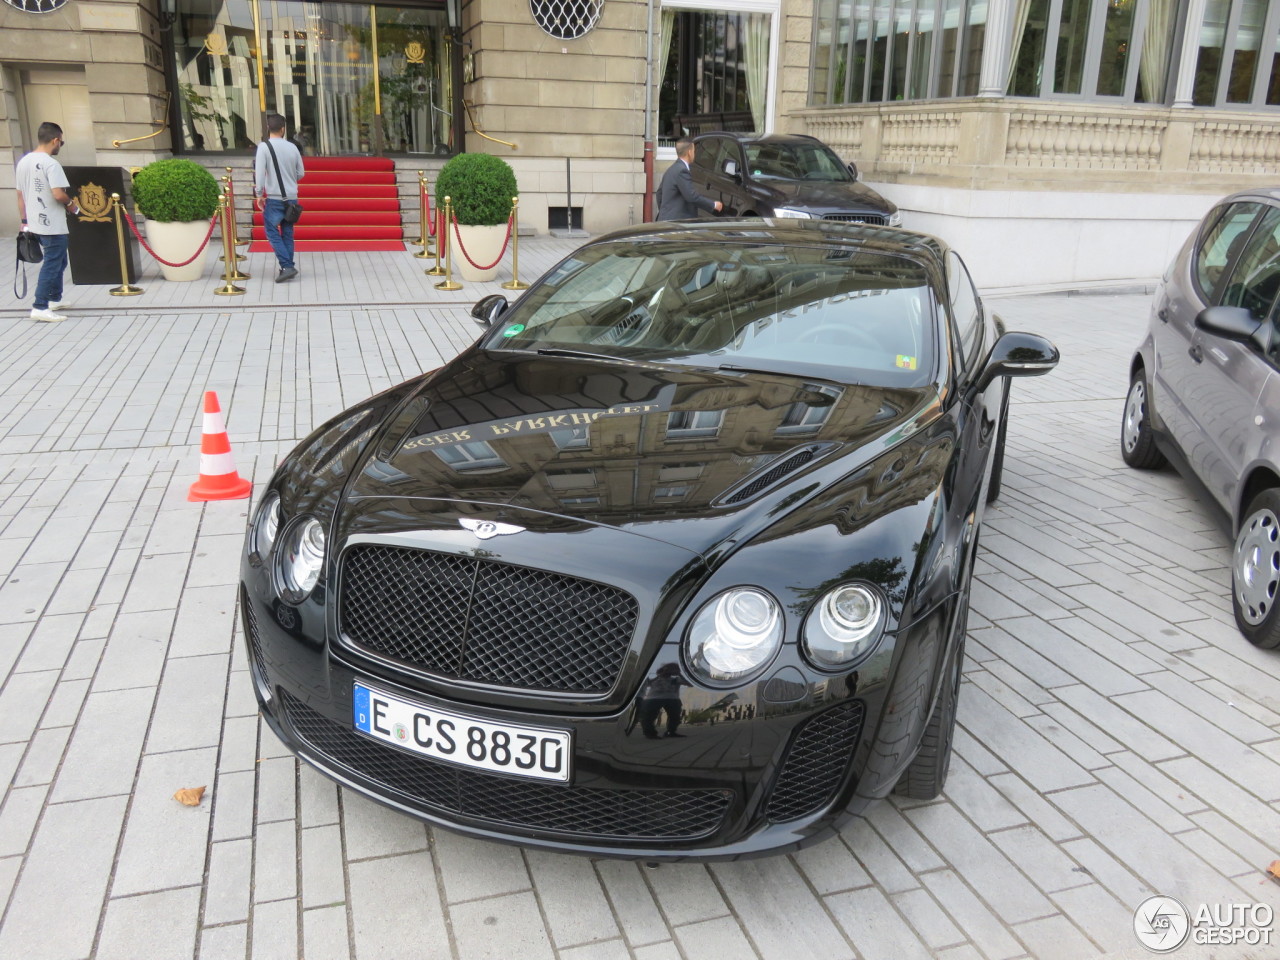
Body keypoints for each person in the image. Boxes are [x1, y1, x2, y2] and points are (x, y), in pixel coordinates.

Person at [14, 121, 78, 322]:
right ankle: (40, 306)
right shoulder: (51, 164)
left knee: (59, 260)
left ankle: (53, 298)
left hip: (34, 222)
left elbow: (20, 195)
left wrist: (24, 220)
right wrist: (72, 205)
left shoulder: (24, 161)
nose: (60, 146)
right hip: (52, 223)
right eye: (62, 142)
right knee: (52, 263)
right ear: (55, 140)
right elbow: (58, 194)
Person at [255, 113, 304, 282]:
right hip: (291, 198)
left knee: (271, 230)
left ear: (269, 128)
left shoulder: (264, 147)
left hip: (274, 198)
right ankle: (287, 266)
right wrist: (289, 180)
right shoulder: (293, 147)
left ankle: (287, 266)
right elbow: (301, 173)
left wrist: (259, 194)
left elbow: (260, 174)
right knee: (287, 232)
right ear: (283, 129)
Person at [655, 138, 722, 221]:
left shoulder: (671, 169)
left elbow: (659, 194)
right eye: (694, 151)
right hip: (677, 222)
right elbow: (691, 196)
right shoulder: (682, 171)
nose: (694, 154)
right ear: (689, 152)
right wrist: (713, 205)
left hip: (666, 219)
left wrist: (665, 211)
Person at [636, 662, 692, 739]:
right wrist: (660, 675)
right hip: (653, 698)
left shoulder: (676, 679)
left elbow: (689, 684)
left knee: (675, 716)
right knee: (648, 716)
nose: (669, 672)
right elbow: (647, 684)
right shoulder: (655, 679)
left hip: (672, 698)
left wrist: (679, 674)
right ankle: (650, 733)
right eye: (668, 669)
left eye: (672, 670)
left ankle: (671, 732)